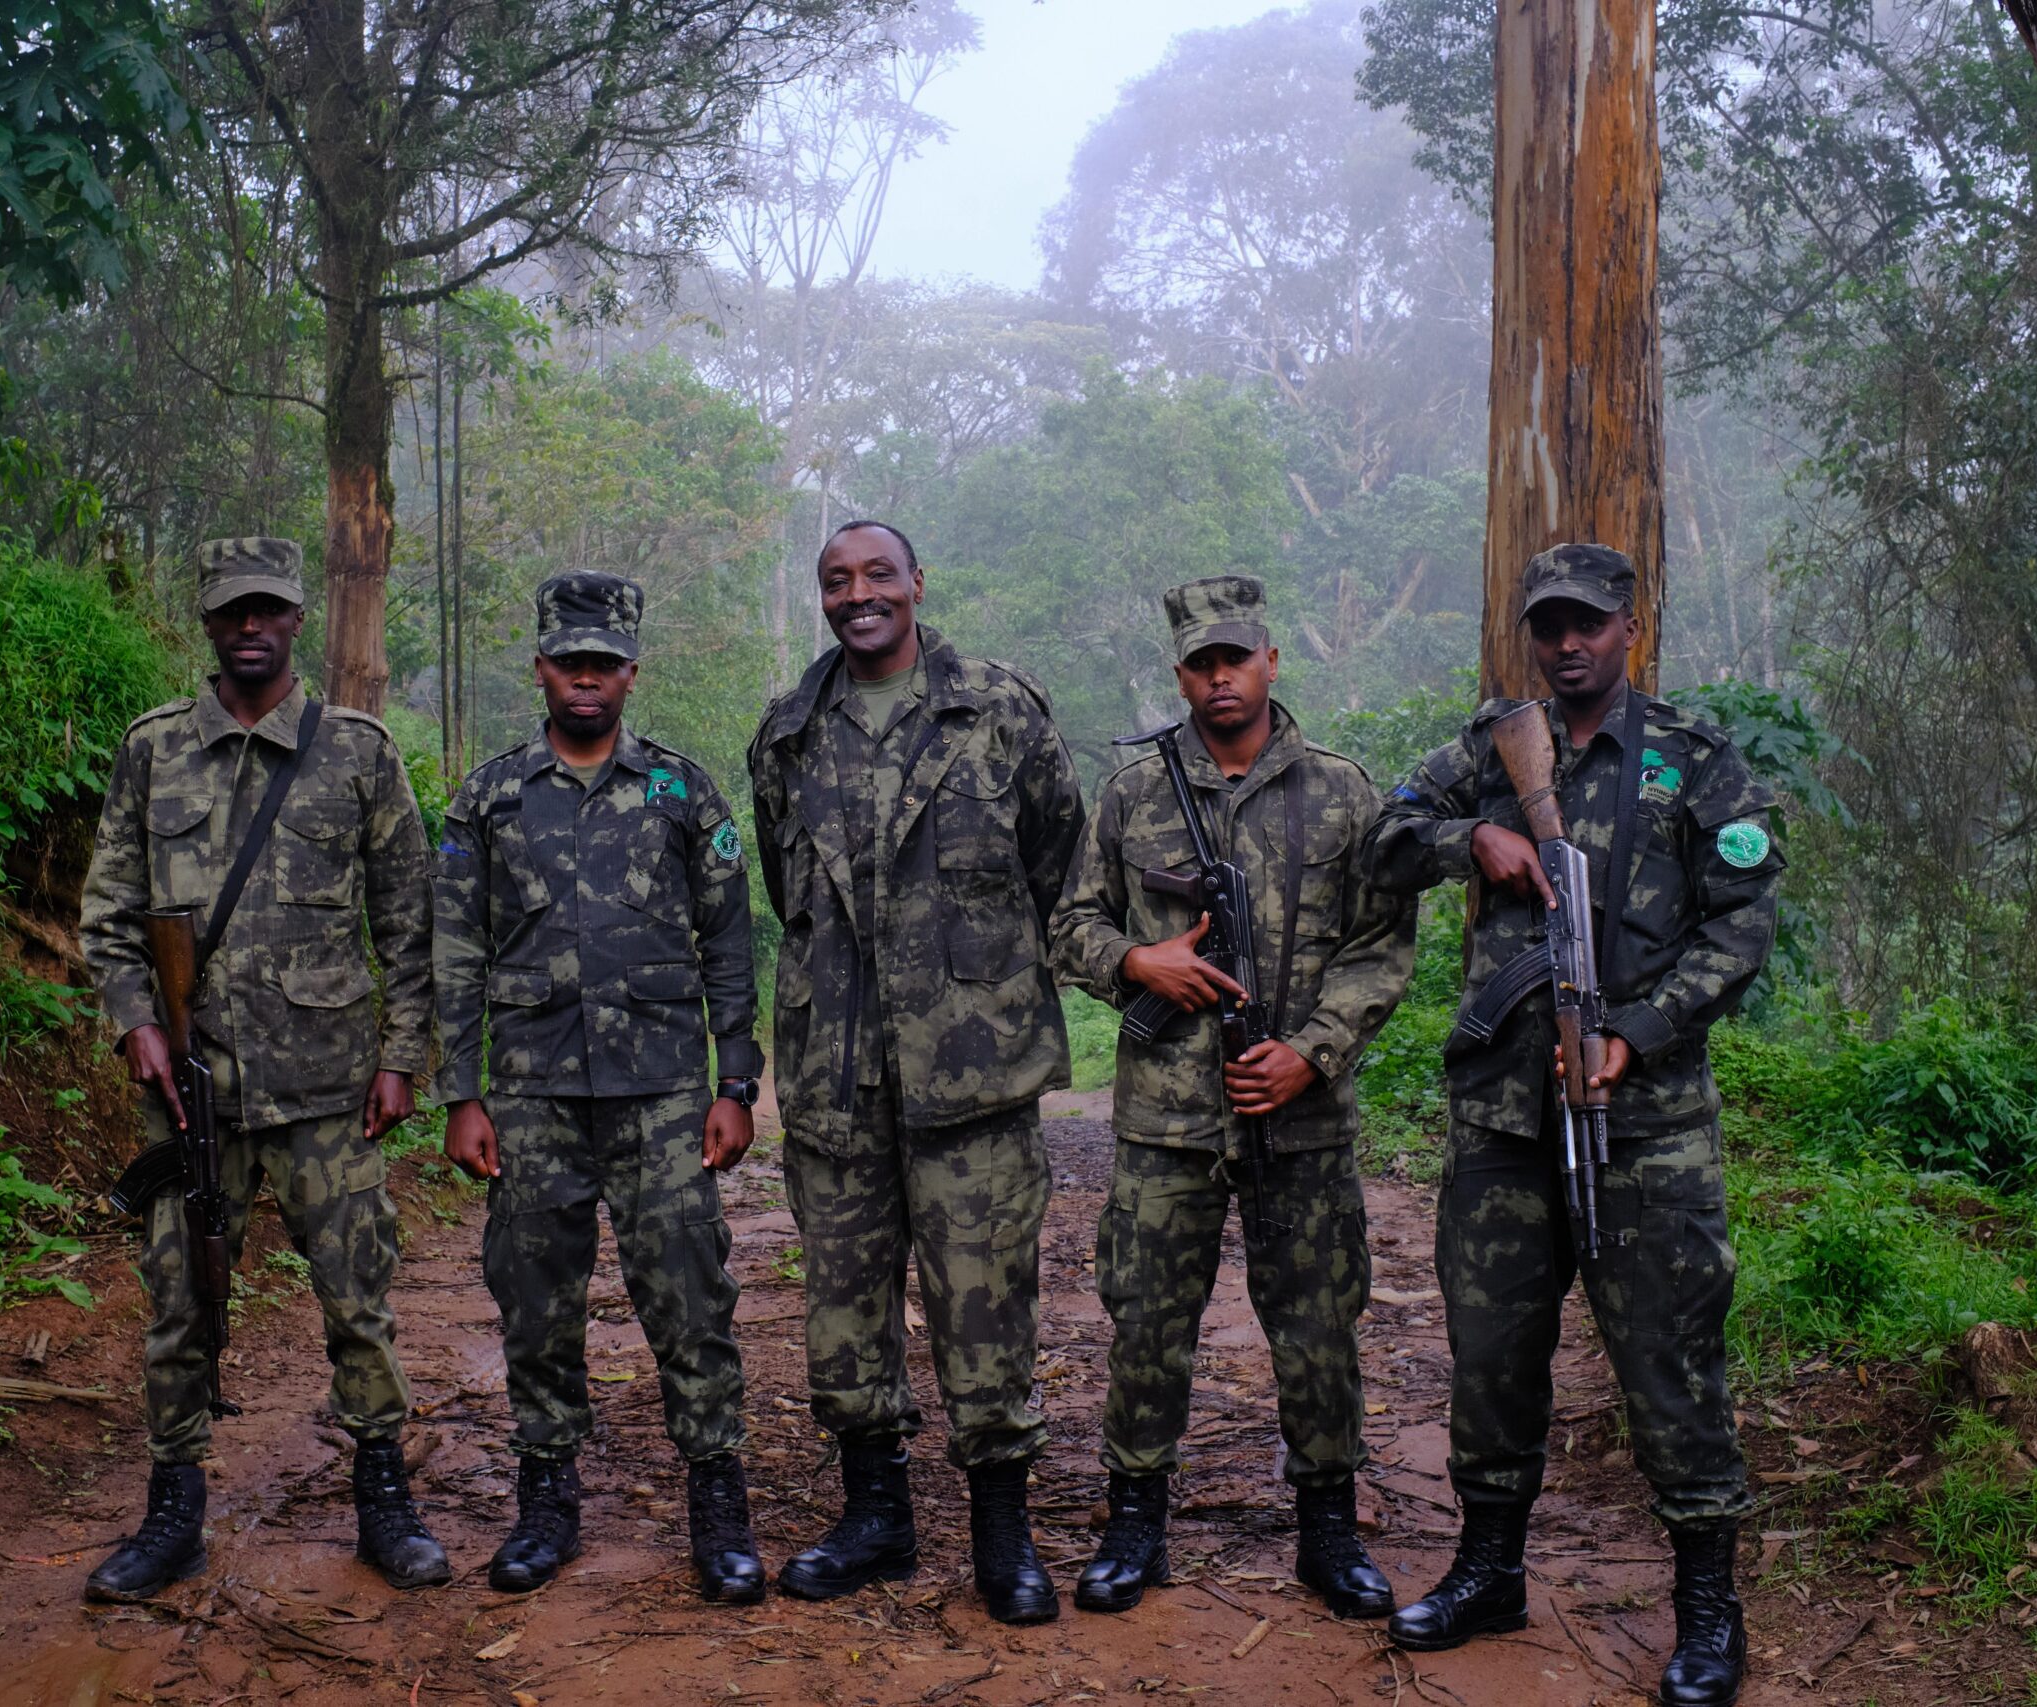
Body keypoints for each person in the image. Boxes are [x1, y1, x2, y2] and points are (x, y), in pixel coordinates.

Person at [1368, 543, 1779, 1707]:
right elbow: (1383, 836)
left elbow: (1741, 930)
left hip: (1643, 1128)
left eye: (1587, 623)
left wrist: (1637, 1029)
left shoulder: (1695, 765)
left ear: (1627, 628)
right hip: (1503, 1123)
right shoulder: (1487, 749)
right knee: (1493, 1359)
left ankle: (1706, 1608)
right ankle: (1489, 1569)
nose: (1566, 644)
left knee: (1670, 1365)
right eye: (1548, 624)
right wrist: (1471, 840)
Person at [77, 536, 447, 1601]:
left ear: (297, 620)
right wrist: (135, 1024)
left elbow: (407, 924)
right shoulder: (153, 750)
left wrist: (401, 1059)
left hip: (327, 1090)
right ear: (206, 621)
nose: (250, 626)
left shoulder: (357, 752)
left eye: (269, 610)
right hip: (193, 1094)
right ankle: (173, 1514)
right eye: (232, 610)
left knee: (355, 1300)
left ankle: (385, 1499)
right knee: (179, 1302)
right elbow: (108, 920)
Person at [1049, 575, 1413, 1620]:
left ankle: (1328, 1531)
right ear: (1181, 674)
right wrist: (1136, 963)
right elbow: (1070, 924)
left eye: (1235, 658)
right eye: (1201, 663)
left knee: (1317, 1325)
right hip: (1168, 1117)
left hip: (1298, 1117)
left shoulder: (1342, 792)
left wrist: (1314, 1051)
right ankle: (1135, 1523)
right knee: (1147, 1321)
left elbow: (1381, 947)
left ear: (1270, 659)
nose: (1220, 677)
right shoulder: (1135, 793)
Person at [745, 519, 1085, 1624]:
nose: (858, 595)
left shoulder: (997, 710)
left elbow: (1056, 862)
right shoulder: (788, 734)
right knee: (843, 1312)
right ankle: (875, 1520)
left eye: (877, 575)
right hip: (837, 1077)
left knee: (985, 1310)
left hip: (973, 1080)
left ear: (916, 583)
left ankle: (1002, 1536)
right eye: (837, 581)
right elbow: (782, 890)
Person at [432, 571, 766, 1604]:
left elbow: (728, 940)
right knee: (536, 1301)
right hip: (531, 1095)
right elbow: (453, 946)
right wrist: (462, 1092)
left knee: (688, 1294)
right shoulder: (490, 796)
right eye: (568, 662)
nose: (585, 679)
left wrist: (737, 1080)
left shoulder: (680, 790)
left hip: (664, 1091)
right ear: (541, 669)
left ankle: (718, 1502)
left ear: (630, 672)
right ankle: (546, 1498)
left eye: (604, 663)